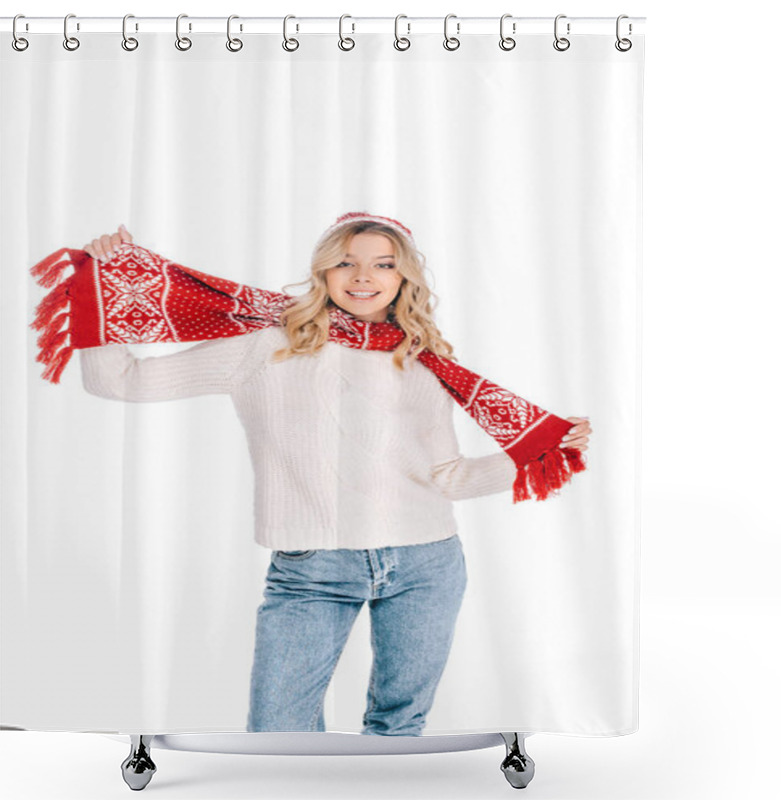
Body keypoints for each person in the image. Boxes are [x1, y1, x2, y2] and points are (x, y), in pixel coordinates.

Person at [80, 214, 592, 736]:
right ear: (323, 272)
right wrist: (101, 284)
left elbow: (450, 478)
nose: (363, 276)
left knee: (398, 730)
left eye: (383, 264)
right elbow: (121, 382)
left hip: (426, 563)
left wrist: (536, 454)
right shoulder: (266, 347)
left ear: (403, 278)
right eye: (346, 262)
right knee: (279, 733)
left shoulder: (421, 361)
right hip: (312, 569)